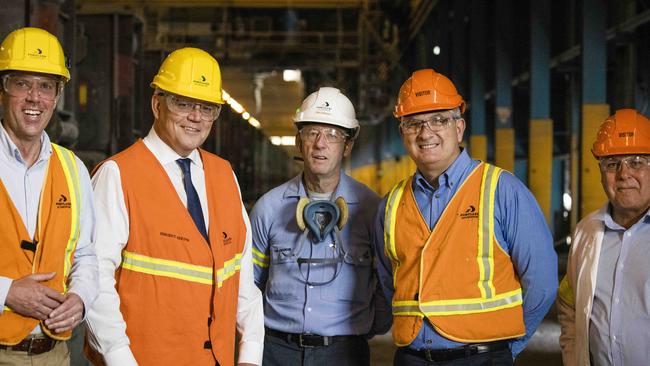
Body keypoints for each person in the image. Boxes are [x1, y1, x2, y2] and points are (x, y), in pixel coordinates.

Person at [84, 47, 263, 366]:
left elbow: (242, 277)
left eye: (207, 108)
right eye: (183, 104)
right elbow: (95, 280)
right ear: (157, 105)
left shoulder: (225, 175)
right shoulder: (117, 175)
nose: (196, 116)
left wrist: (250, 353)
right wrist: (120, 359)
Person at [373, 69, 558, 365]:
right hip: (411, 358)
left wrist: (507, 348)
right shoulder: (390, 205)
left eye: (439, 120)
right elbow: (388, 282)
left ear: (459, 128)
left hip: (482, 358)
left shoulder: (502, 190)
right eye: (414, 123)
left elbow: (543, 283)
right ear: (402, 133)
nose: (426, 132)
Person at [249, 87, 390, 366]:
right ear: (299, 141)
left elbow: (386, 284)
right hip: (278, 350)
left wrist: (365, 327)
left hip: (344, 353)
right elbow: (249, 285)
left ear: (347, 145)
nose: (320, 144)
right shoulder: (269, 207)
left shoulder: (371, 210)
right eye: (312, 132)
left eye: (333, 135)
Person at [0, 27, 98, 364]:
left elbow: (86, 255)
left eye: (46, 86)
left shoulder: (73, 169)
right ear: (3, 89)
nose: (34, 98)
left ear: (57, 96)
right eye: (22, 83)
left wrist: (81, 298)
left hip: (53, 355)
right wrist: (7, 293)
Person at [557, 108, 650, 366]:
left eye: (637, 161)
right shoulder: (586, 233)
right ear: (600, 173)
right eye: (612, 164)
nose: (623, 174)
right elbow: (568, 305)